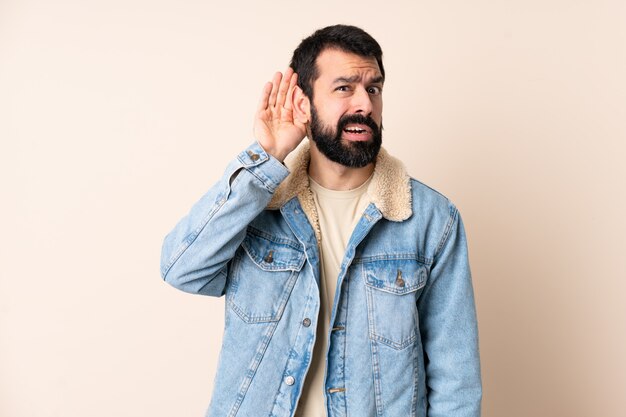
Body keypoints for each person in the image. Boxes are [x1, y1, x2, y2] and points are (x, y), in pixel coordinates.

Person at [160, 24, 482, 417]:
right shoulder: (259, 206)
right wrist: (268, 155)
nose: (364, 103)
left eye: (373, 89)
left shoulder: (431, 219)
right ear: (304, 103)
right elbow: (182, 270)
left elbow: (456, 381)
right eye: (344, 88)